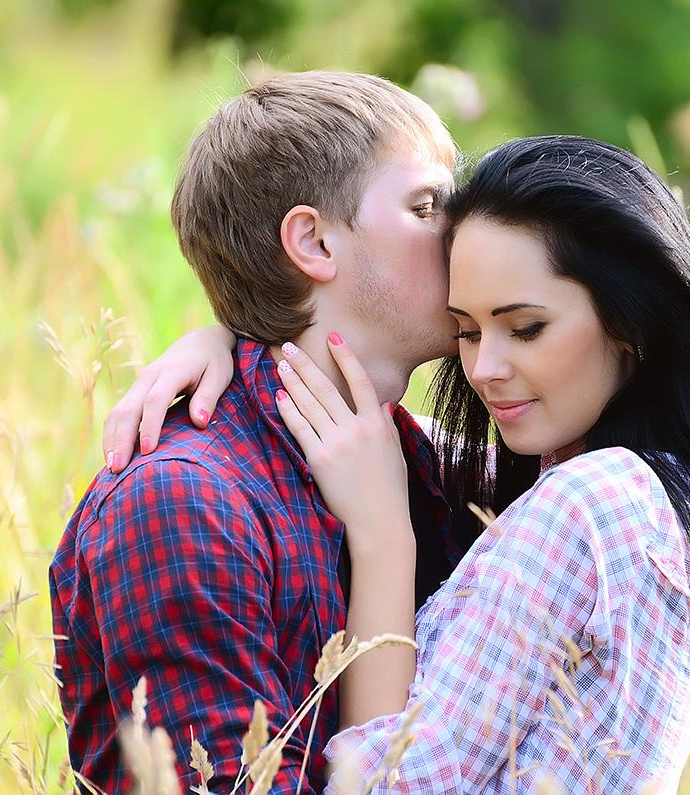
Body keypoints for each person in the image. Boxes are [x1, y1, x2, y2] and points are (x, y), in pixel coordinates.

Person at [116, 135, 690, 791]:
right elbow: (355, 431)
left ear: (631, 321)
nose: (486, 370)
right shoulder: (646, 490)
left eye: (526, 327)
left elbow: (385, 787)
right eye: (467, 331)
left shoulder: (593, 504)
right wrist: (233, 341)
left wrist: (383, 535)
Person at [49, 71, 473, 792]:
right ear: (312, 241)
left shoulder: (419, 459)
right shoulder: (185, 500)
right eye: (427, 204)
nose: (463, 230)